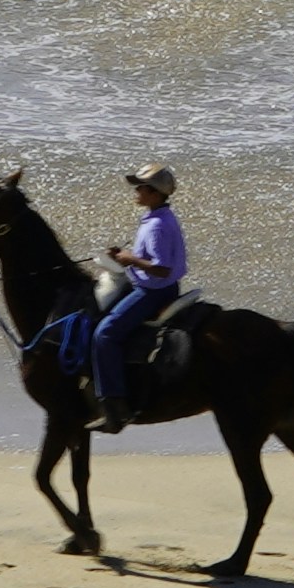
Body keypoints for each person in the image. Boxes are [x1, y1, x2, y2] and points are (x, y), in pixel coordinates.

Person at [76, 164, 190, 406]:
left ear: (156, 193)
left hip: (153, 292)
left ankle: (113, 400)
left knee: (105, 334)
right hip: (156, 287)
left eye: (141, 188)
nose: (136, 192)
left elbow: (162, 268)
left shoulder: (158, 225)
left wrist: (130, 260)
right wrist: (124, 255)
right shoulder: (158, 217)